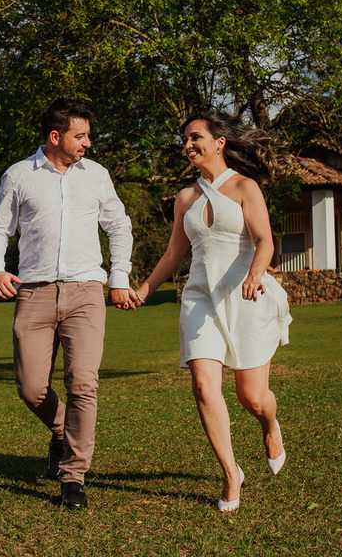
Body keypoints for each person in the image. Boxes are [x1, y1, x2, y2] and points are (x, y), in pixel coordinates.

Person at [127, 111, 292, 512]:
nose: (188, 145)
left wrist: (255, 274)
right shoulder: (185, 198)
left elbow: (264, 240)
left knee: (252, 397)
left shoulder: (244, 186)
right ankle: (231, 472)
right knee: (203, 386)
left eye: (195, 137)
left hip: (245, 295)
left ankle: (270, 425)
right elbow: (173, 254)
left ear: (219, 142)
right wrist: (144, 289)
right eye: (185, 139)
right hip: (200, 297)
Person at [0, 98, 134, 511]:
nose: (88, 143)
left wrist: (118, 277)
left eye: (87, 135)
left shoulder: (97, 176)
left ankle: (73, 476)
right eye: (80, 135)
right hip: (33, 291)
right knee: (31, 387)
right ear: (56, 136)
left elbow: (118, 226)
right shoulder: (18, 176)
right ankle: (63, 431)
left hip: (86, 291)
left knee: (83, 383)